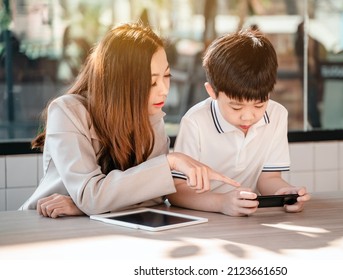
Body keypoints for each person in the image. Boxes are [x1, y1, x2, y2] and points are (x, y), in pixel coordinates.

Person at [19, 22, 239, 218]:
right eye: (152, 82)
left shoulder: (150, 114)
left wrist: (83, 206)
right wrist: (170, 162)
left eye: (167, 76)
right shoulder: (68, 112)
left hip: (103, 227)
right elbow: (91, 195)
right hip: (45, 225)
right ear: (121, 84)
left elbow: (155, 195)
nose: (164, 90)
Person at [167, 28, 310, 217]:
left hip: (245, 218)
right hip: (202, 217)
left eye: (259, 105)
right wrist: (221, 203)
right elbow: (176, 191)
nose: (248, 117)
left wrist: (284, 194)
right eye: (236, 107)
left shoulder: (277, 115)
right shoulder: (195, 121)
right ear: (212, 92)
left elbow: (269, 178)